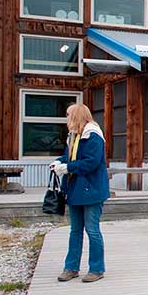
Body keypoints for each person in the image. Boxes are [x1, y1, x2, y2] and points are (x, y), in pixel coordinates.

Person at [49, 103, 108, 283]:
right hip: (75, 190)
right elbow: (69, 157)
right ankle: (71, 268)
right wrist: (59, 162)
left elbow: (91, 162)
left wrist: (67, 167)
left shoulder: (93, 135)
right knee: (75, 231)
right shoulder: (74, 136)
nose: (66, 118)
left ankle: (97, 269)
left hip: (91, 190)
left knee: (92, 230)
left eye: (68, 115)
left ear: (76, 116)